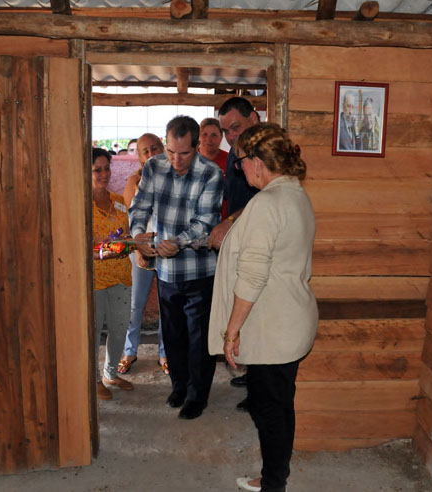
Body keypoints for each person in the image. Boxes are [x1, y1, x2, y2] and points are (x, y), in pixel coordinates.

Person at [208, 123, 318, 492]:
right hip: (290, 318)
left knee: (270, 409)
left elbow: (252, 276)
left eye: (240, 163)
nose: (240, 170)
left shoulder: (268, 203)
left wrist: (231, 332)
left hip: (275, 325)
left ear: (256, 162)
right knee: (274, 404)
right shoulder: (294, 194)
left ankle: (273, 484)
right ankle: (273, 476)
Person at [130, 116, 223, 420]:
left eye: (183, 153)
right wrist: (138, 235)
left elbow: (206, 221)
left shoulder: (211, 173)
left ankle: (198, 396)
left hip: (199, 271)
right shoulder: (154, 166)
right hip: (167, 272)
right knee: (172, 335)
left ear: (196, 146)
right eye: (170, 151)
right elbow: (140, 205)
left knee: (199, 338)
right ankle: (179, 386)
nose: (175, 159)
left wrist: (178, 242)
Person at [211, 96, 262, 411]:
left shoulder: (267, 155)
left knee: (255, 313)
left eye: (236, 128)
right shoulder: (233, 156)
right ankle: (252, 373)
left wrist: (229, 222)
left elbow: (264, 199)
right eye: (225, 130)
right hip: (238, 242)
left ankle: (259, 391)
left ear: (254, 119)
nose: (230, 136)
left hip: (258, 243)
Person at [118, 133, 169, 376]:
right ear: (139, 157)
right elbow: (131, 221)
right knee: (135, 304)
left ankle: (165, 353)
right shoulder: (134, 181)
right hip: (141, 250)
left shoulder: (175, 178)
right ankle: (130, 350)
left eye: (154, 148)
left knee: (166, 304)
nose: (151, 154)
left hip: (169, 250)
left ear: (163, 148)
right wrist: (138, 249)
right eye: (145, 151)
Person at [91, 148, 135, 401]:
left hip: (121, 274)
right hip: (95, 278)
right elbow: (90, 247)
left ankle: (110, 373)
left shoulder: (119, 201)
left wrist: (127, 243)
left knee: (120, 328)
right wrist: (118, 246)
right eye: (97, 169)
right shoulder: (80, 205)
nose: (104, 174)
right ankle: (94, 380)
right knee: (94, 330)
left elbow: (126, 235)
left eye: (106, 168)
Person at [198, 117, 230, 219]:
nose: (209, 139)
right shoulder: (189, 159)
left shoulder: (230, 160)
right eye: (205, 135)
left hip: (222, 222)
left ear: (221, 137)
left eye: (214, 135)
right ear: (199, 137)